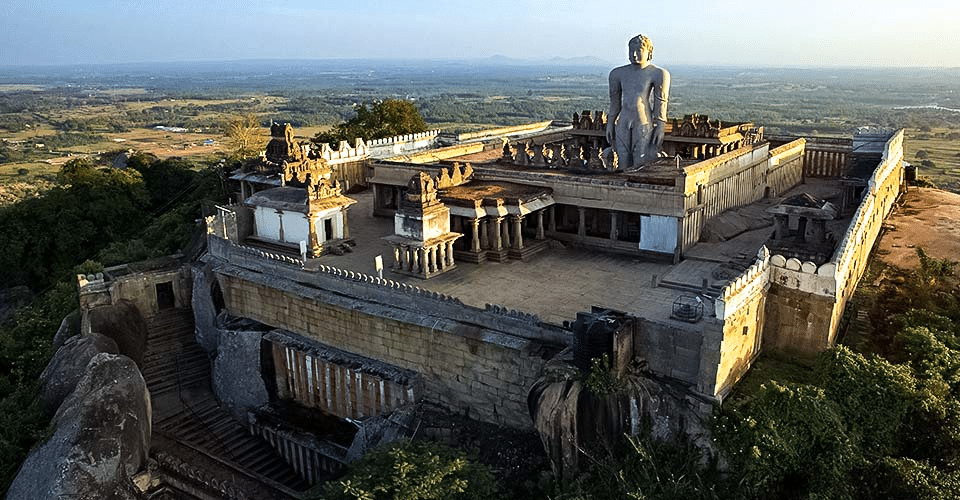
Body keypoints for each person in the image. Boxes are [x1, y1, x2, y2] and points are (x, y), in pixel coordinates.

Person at [606, 34, 671, 169]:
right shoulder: (617, 74)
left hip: (643, 121)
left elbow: (660, 103)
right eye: (631, 51)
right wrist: (610, 123)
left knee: (640, 161)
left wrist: (660, 126)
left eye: (639, 50)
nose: (634, 55)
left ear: (649, 52)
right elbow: (615, 104)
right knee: (621, 161)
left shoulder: (658, 74)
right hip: (623, 121)